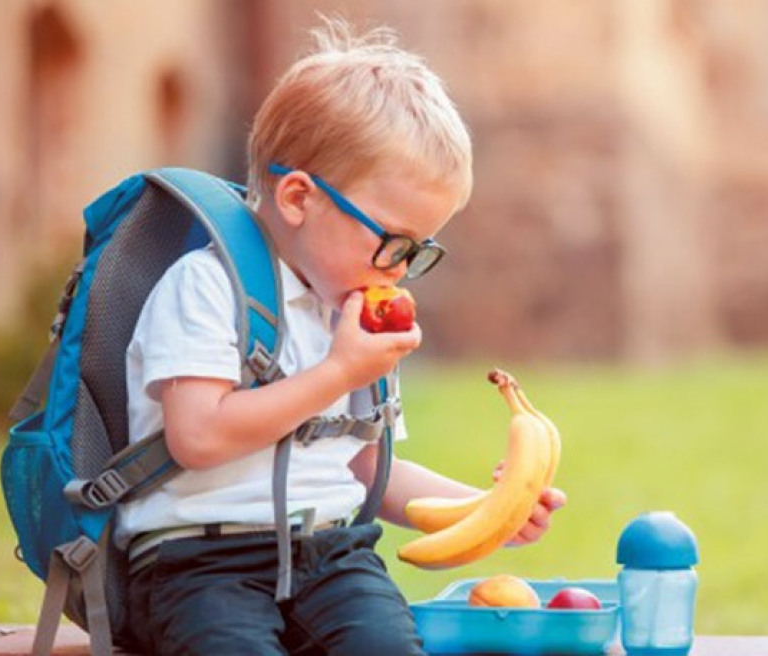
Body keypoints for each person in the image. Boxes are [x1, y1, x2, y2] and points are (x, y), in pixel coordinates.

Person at [117, 17, 566, 656]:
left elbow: (365, 468)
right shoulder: (207, 286)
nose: (401, 268)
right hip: (199, 560)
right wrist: (337, 372)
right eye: (392, 241)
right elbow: (197, 435)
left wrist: (491, 507)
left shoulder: (353, 314)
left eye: (420, 248)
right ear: (300, 197)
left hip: (331, 555)